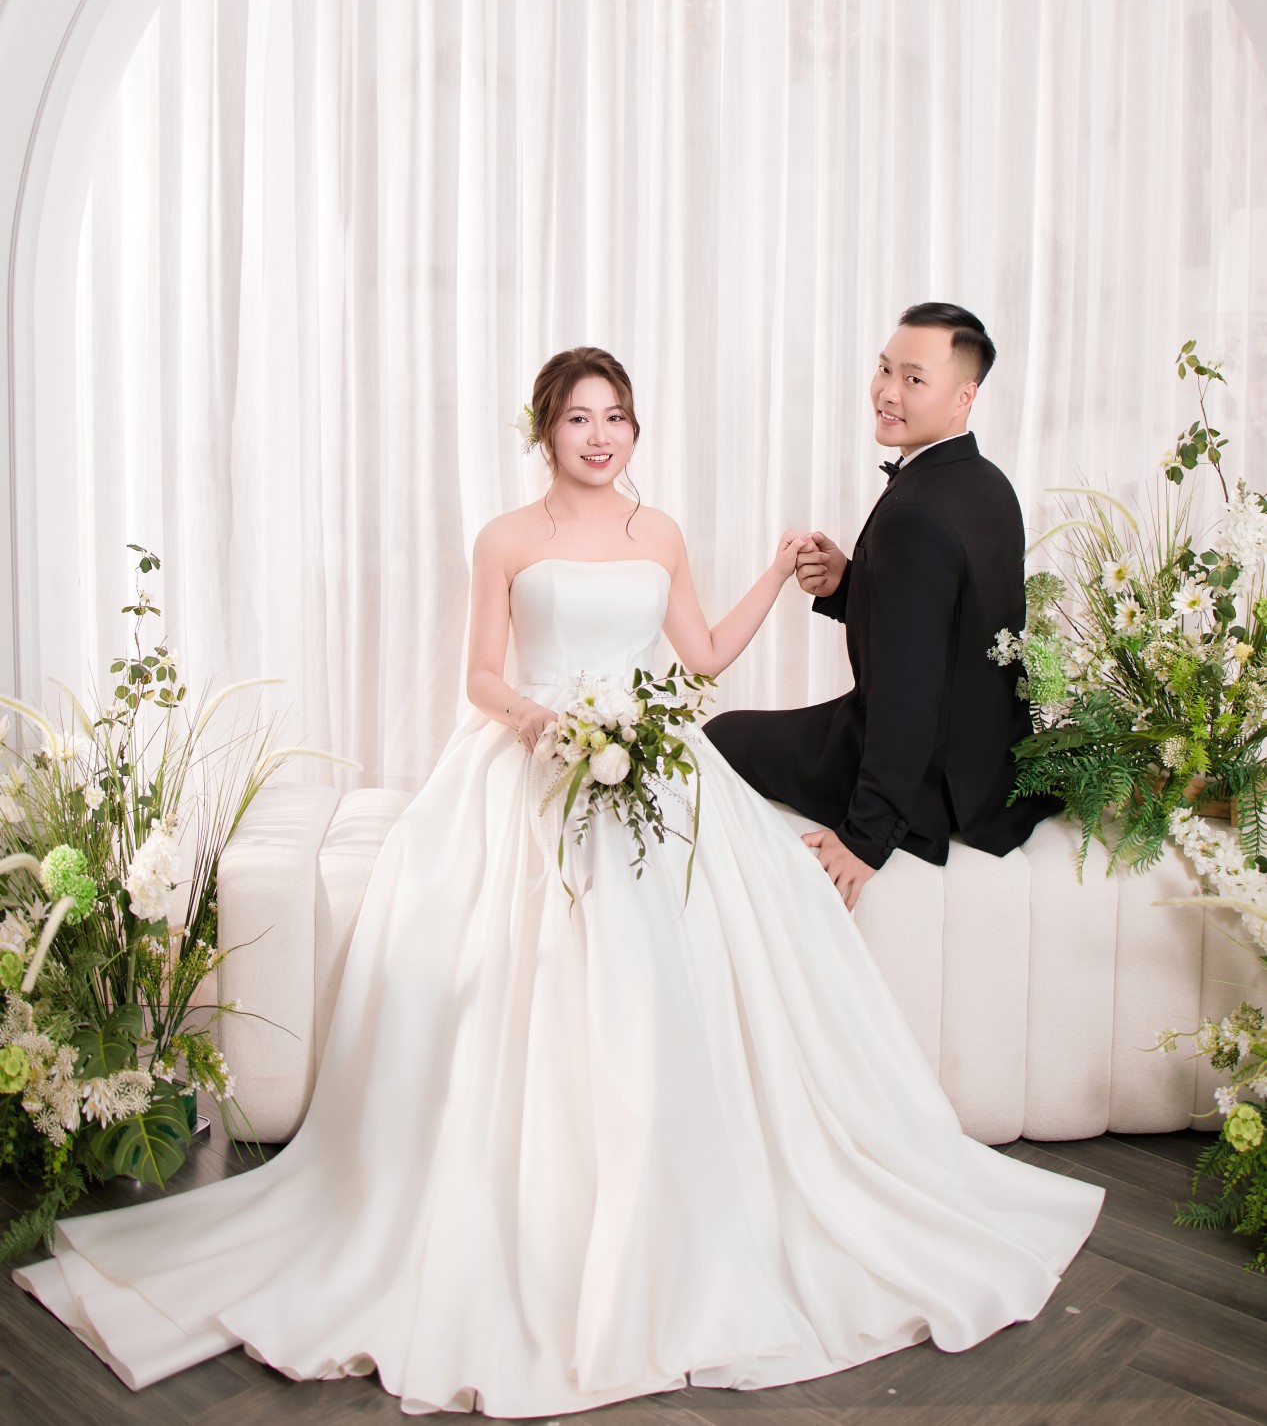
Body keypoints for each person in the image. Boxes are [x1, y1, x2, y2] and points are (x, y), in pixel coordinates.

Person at [15, 345, 1100, 1417]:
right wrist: (540, 721)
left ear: (634, 429)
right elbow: (482, 677)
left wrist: (777, 573)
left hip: (649, 762)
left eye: (615, 416)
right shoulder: (506, 538)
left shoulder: (657, 532)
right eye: (579, 417)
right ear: (545, 430)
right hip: (528, 761)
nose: (600, 436)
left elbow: (702, 658)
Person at [707, 303, 1064, 913]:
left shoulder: (915, 511)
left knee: (718, 737)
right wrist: (849, 584)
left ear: (964, 396)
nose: (888, 392)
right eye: (885, 369)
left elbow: (908, 693)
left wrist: (866, 838)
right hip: (989, 765)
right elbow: (947, 623)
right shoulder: (988, 482)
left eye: (914, 379)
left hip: (930, 773)